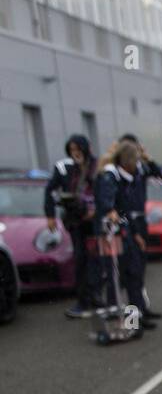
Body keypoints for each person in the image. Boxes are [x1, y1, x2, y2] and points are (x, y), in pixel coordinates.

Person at [94, 140, 156, 333]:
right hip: (110, 235)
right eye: (134, 161)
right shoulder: (110, 176)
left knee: (133, 275)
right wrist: (110, 211)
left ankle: (134, 320)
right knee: (115, 277)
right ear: (126, 161)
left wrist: (136, 233)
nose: (136, 166)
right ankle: (118, 322)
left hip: (124, 231)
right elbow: (107, 204)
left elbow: (125, 210)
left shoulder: (124, 177)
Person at [44, 134, 99, 318]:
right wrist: (50, 215)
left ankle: (96, 298)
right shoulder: (66, 169)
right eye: (72, 150)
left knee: (97, 261)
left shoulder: (96, 167)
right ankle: (83, 301)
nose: (75, 153)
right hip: (76, 223)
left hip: (95, 224)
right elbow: (50, 191)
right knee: (81, 260)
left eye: (78, 149)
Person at [118, 133, 162, 322]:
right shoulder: (116, 173)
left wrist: (148, 157)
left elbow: (159, 175)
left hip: (139, 221)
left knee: (139, 271)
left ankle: (141, 311)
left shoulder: (139, 169)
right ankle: (132, 321)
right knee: (128, 275)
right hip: (124, 225)